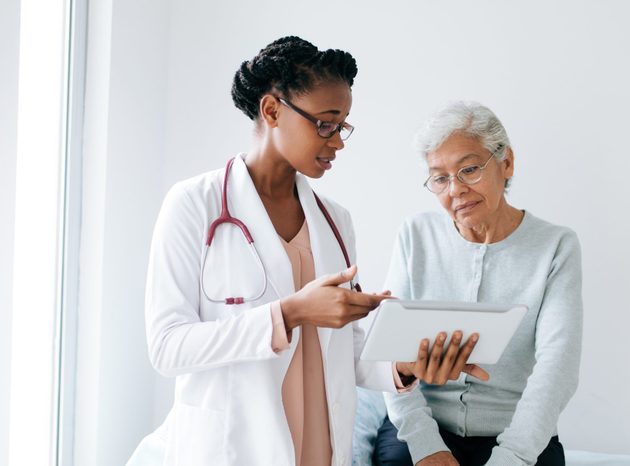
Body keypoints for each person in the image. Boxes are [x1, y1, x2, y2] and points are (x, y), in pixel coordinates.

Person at [126, 37, 486, 466]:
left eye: (343, 125)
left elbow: (338, 349)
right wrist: (291, 313)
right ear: (272, 110)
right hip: (233, 447)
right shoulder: (193, 205)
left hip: (318, 446)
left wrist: (403, 366)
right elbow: (168, 347)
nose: (337, 142)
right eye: (325, 124)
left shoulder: (335, 220)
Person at [375, 102, 583, 466]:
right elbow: (390, 352)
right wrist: (427, 445)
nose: (455, 189)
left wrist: (513, 455)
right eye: (440, 178)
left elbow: (558, 366)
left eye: (469, 169)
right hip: (423, 426)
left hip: (517, 434)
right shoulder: (415, 235)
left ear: (507, 164)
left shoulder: (556, 246)